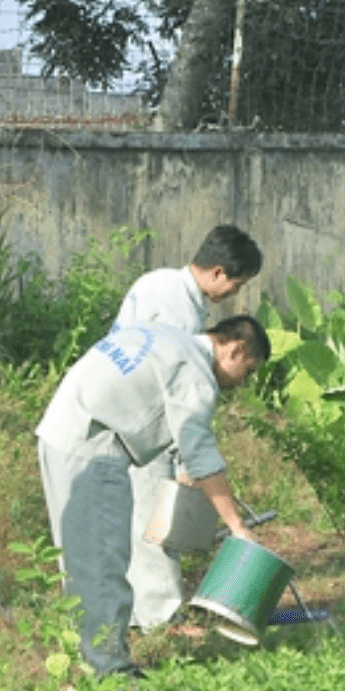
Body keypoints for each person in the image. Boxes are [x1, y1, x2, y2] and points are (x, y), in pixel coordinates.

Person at [35, 315, 269, 676]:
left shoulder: (168, 336)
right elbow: (201, 452)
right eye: (248, 370)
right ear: (235, 349)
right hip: (94, 447)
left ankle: (83, 659)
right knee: (103, 561)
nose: (243, 382)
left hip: (62, 431)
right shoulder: (197, 374)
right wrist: (237, 525)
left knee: (80, 561)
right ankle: (110, 671)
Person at [115, 224, 263, 630]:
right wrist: (185, 461)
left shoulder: (161, 284)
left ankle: (134, 613)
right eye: (237, 283)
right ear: (217, 272)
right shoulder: (177, 308)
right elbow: (178, 391)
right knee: (155, 525)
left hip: (127, 414)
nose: (234, 293)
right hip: (142, 421)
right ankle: (161, 617)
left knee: (134, 524)